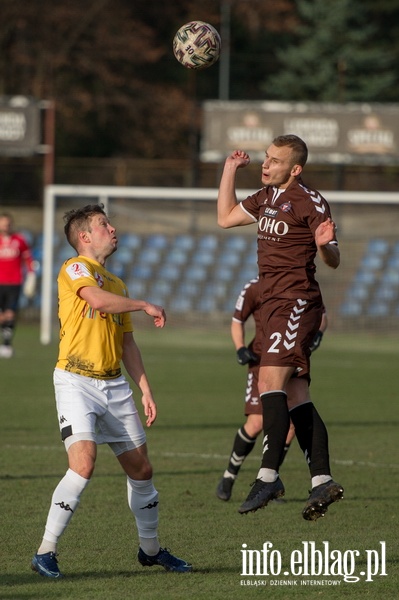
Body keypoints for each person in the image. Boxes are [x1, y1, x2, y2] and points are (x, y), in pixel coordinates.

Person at [31, 204, 192, 578]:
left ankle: (150, 551)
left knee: (142, 470)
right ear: (85, 237)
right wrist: (144, 305)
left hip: (115, 384)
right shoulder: (76, 268)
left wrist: (146, 390)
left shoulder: (118, 284)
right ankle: (45, 551)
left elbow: (127, 345)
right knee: (83, 464)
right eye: (104, 224)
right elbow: (96, 300)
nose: (113, 228)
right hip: (75, 380)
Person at [217, 134, 343, 520]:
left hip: (296, 303)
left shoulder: (310, 201)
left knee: (269, 384)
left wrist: (324, 246)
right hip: (273, 305)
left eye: (274, 161)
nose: (266, 164)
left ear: (296, 169)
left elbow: (333, 257)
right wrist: (228, 170)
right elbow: (224, 219)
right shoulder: (265, 197)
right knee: (297, 395)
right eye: (266, 158)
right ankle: (321, 480)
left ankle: (268, 475)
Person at [216, 277, 327, 502]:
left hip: (294, 358)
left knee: (292, 426)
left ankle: (270, 478)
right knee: (256, 423)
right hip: (262, 362)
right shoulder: (255, 287)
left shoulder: (303, 284)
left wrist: (318, 333)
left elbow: (322, 314)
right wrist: (239, 348)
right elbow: (237, 320)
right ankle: (229, 475)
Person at [0, 212, 36, 358]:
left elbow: (28, 259)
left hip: (14, 282)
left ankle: (6, 345)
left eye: (8, 223)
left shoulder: (19, 240)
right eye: (3, 222)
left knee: (10, 314)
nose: (5, 225)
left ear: (11, 224)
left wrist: (31, 275)